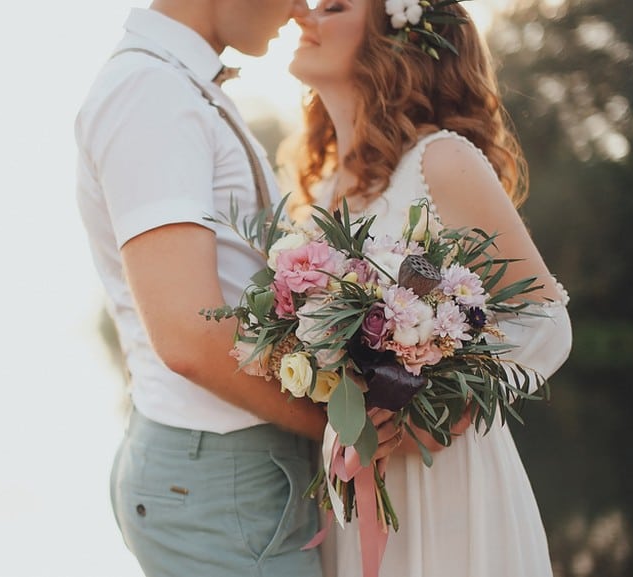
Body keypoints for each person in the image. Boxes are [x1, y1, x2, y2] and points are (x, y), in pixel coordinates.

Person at [285, 1, 574, 576]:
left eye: (335, 6)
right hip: (356, 485)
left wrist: (442, 413)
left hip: (447, 483)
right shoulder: (318, 193)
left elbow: (546, 319)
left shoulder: (438, 161)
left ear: (395, 37)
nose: (305, 14)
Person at [72, 1, 361, 575]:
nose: (302, 7)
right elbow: (188, 335)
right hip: (222, 479)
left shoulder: (175, 87)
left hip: (229, 473)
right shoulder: (151, 94)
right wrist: (348, 427)